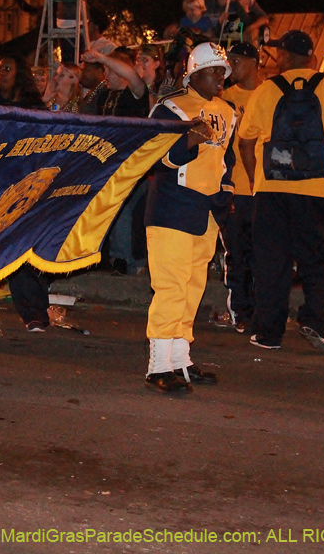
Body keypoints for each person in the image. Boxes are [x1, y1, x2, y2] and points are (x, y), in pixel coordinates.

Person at [238, 30, 324, 350]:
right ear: (311, 57)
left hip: (272, 190)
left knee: (271, 262)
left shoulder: (266, 90)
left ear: (283, 56)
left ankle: (268, 332)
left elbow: (246, 142)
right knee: (317, 259)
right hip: (316, 190)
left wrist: (256, 180)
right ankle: (313, 321)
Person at [143, 42, 233, 393]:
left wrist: (227, 191)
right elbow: (150, 157)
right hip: (172, 205)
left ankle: (181, 360)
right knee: (170, 286)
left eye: (223, 72)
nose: (220, 78)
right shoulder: (170, 108)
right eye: (213, 71)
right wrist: (189, 142)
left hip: (207, 208)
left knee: (193, 287)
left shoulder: (228, 110)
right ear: (193, 73)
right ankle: (158, 365)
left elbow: (227, 160)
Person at [0, 55, 51, 336]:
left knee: (22, 248)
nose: (1, 73)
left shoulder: (34, 108)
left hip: (22, 186)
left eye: (7, 68)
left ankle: (34, 313)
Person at [82, 48, 149, 274]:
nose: (106, 76)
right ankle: (109, 257)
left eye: (110, 71)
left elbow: (133, 77)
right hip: (109, 164)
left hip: (134, 165)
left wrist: (102, 57)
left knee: (122, 205)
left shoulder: (136, 94)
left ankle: (125, 260)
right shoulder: (103, 95)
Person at [220, 42, 263, 333]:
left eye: (236, 61)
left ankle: (262, 310)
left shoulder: (268, 94)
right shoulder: (224, 98)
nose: (231, 67)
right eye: (228, 61)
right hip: (235, 187)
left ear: (253, 62)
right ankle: (241, 311)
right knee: (237, 254)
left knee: (262, 254)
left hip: (264, 187)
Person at [134, 44, 165, 109]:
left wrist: (138, 82)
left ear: (156, 64)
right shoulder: (130, 84)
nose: (140, 63)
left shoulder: (164, 85)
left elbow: (155, 110)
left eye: (145, 60)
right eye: (138, 60)